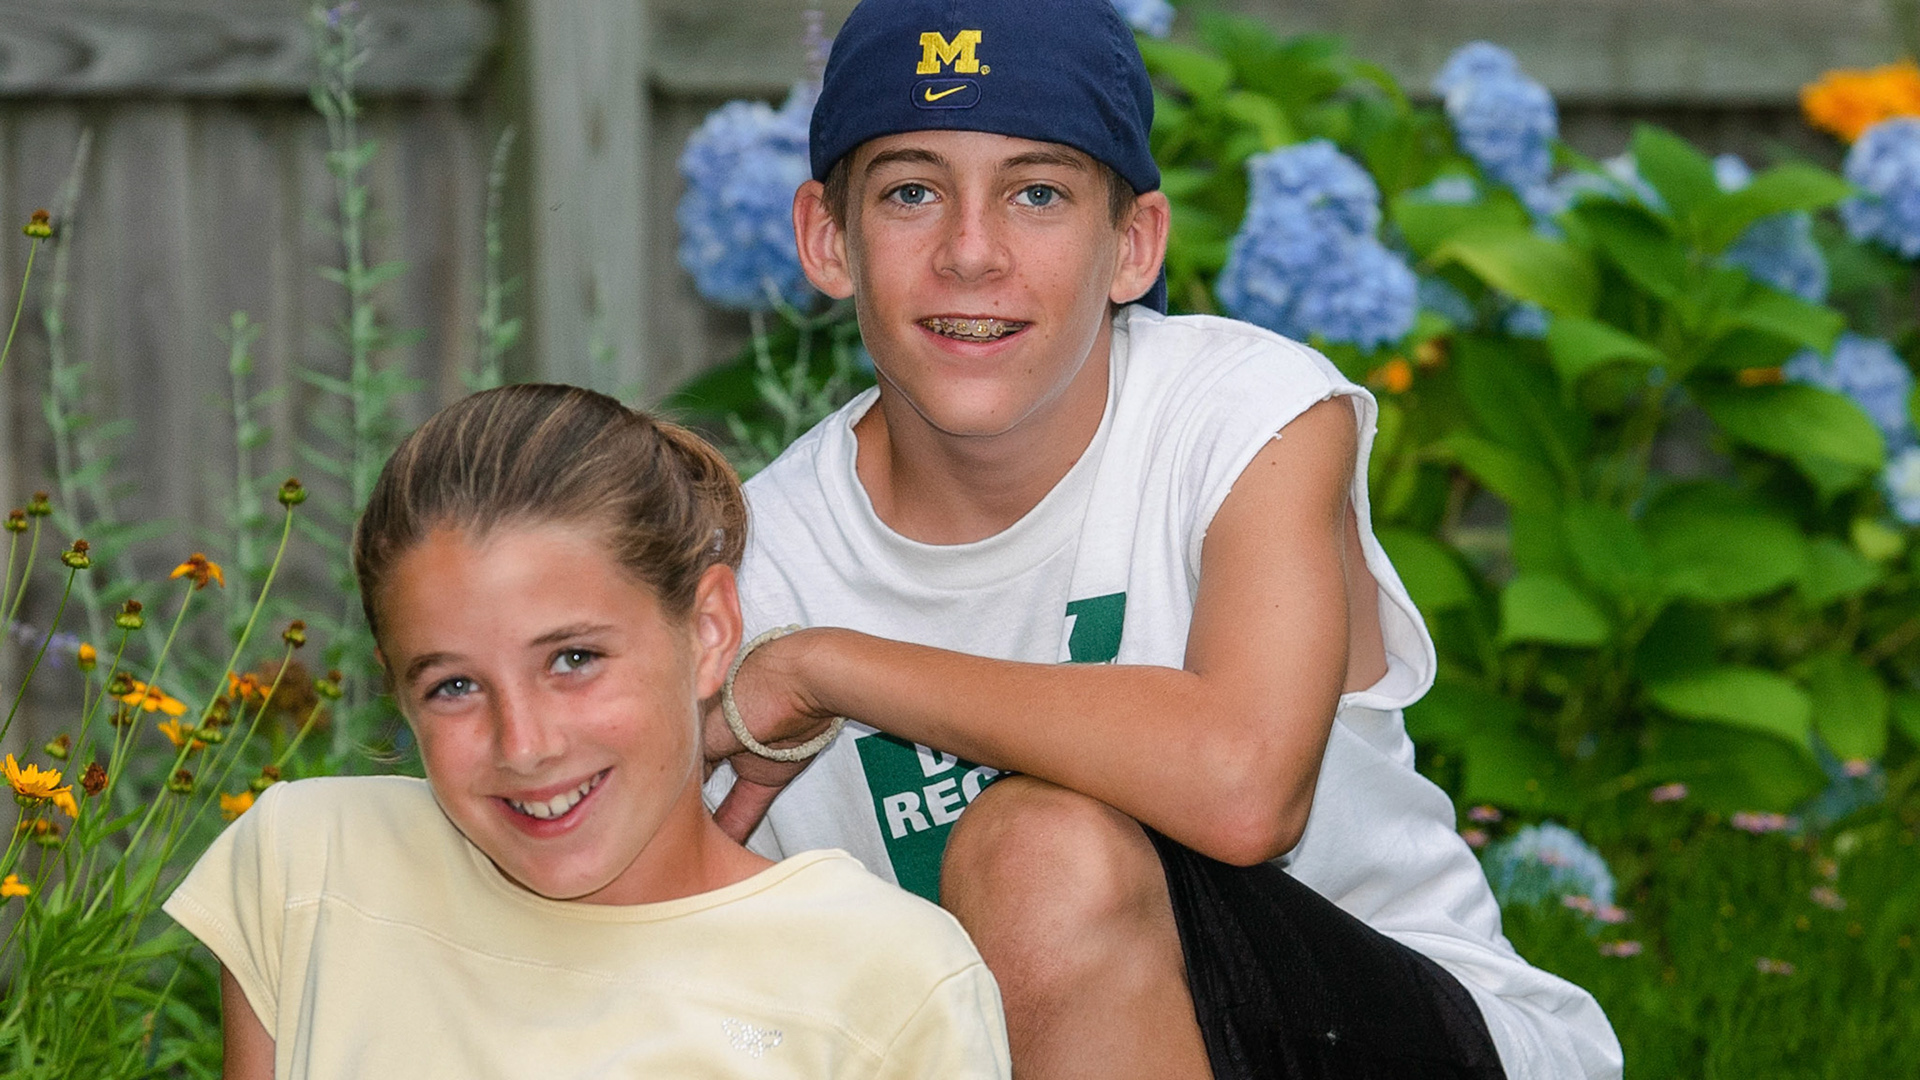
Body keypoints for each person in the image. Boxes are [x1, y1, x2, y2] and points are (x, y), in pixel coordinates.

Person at [700, 1, 1624, 1077]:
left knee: (1043, 854)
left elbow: (1244, 785)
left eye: (1038, 193)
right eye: (912, 191)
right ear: (828, 238)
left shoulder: (1243, 416)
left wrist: (824, 668)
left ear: (1133, 244)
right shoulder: (755, 569)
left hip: (1407, 1036)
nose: (971, 252)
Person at [164, 385, 1011, 1078]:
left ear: (709, 630)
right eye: (454, 685)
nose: (525, 745)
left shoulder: (883, 982)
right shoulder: (311, 867)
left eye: (573, 660)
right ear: (396, 686)